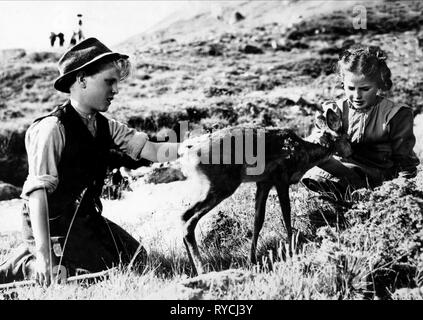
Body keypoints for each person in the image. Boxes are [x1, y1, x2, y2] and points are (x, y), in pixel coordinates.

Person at [0, 37, 179, 286]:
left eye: (117, 83)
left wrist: (200, 149)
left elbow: (152, 150)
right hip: (47, 223)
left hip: (82, 217)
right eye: (109, 82)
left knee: (136, 259)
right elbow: (37, 195)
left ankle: (42, 257)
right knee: (72, 276)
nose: (116, 90)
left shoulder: (106, 126)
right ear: (82, 80)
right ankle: (22, 266)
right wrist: (43, 253)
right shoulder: (53, 128)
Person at [302, 45, 420, 198]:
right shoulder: (336, 109)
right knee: (314, 156)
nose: (357, 95)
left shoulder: (395, 114)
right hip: (343, 167)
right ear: (343, 83)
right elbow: (320, 140)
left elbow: (404, 161)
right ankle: (339, 197)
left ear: (379, 84)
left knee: (346, 174)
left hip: (378, 175)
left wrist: (402, 192)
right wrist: (321, 140)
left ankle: (358, 195)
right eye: (351, 88)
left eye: (365, 89)